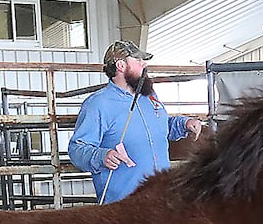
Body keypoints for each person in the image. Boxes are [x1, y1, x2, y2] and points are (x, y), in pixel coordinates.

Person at [67, 39, 205, 203]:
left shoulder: (149, 97)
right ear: (121, 66)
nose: (144, 65)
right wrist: (101, 156)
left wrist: (183, 124)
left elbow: (161, 125)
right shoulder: (98, 104)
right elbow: (77, 148)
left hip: (161, 198)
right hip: (123, 204)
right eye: (138, 61)